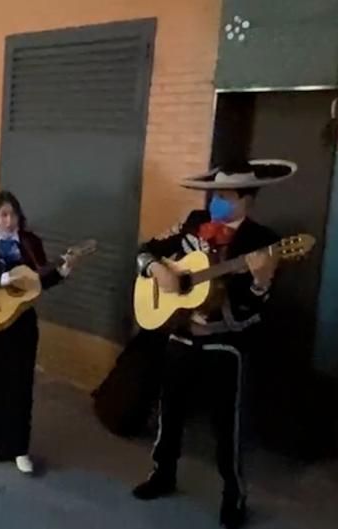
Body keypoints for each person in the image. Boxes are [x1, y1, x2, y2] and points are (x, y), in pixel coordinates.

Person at [130, 160, 296, 529]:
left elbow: (256, 308)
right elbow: (147, 249)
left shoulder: (263, 242)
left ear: (247, 200)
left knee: (228, 426)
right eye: (215, 194)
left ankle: (233, 493)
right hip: (181, 334)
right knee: (169, 412)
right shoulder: (193, 223)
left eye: (226, 196)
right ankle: (163, 473)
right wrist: (155, 269)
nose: (217, 202)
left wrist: (259, 283)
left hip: (226, 342)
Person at [0, 191, 82, 475]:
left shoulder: (29, 243)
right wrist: (3, 277)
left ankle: (19, 448)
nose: (8, 220)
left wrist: (63, 270)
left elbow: (40, 280)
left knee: (20, 385)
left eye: (12, 214)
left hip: (22, 324)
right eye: (3, 214)